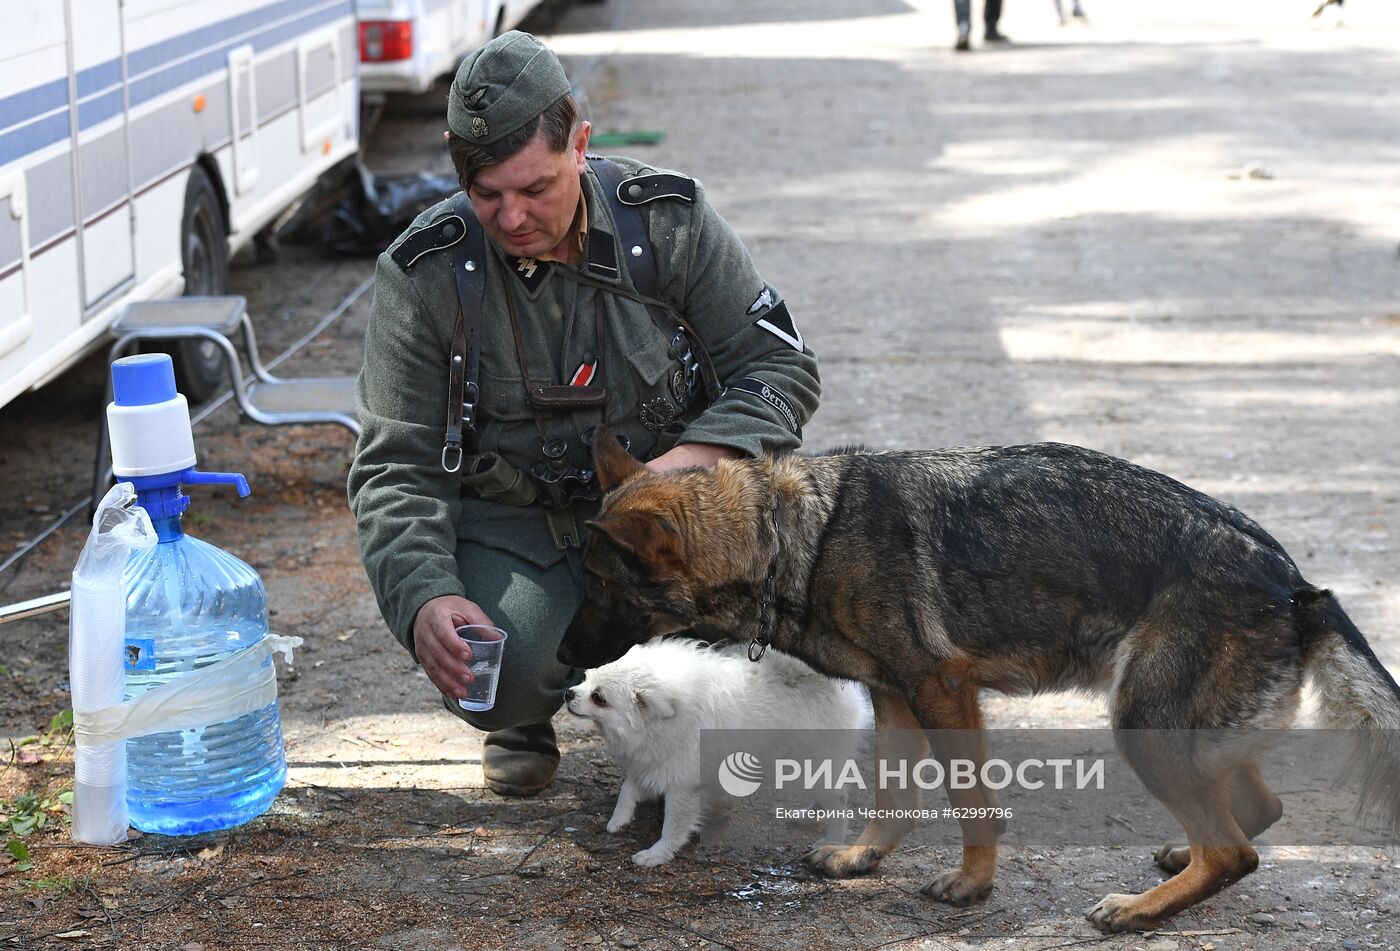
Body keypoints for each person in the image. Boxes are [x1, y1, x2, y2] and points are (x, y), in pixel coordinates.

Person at [347, 31, 820, 798]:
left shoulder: (669, 224)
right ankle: (522, 715)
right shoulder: (425, 274)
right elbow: (393, 466)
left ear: (582, 143)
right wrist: (426, 595)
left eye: (535, 188)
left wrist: (680, 472)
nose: (511, 217)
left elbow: (780, 367)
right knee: (501, 669)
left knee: (762, 653)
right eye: (487, 194)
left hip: (670, 525)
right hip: (519, 528)